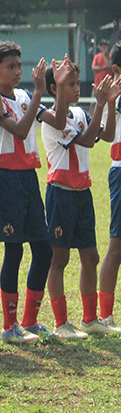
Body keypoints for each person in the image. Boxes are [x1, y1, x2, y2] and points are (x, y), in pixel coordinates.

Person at [0, 41, 67, 343]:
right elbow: (19, 130)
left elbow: (57, 121)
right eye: (10, 67)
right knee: (14, 250)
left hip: (28, 178)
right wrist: (41, 93)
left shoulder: (25, 95)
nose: (18, 71)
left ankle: (29, 321)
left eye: (19, 66)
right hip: (7, 180)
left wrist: (62, 88)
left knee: (43, 249)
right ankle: (9, 326)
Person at [41, 61, 119, 338]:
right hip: (61, 193)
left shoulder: (80, 114)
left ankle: (89, 319)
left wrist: (108, 104)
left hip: (82, 193)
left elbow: (106, 136)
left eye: (77, 83)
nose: (78, 88)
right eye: (70, 84)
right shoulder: (52, 117)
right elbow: (86, 141)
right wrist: (99, 105)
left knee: (91, 256)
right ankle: (61, 323)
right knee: (59, 258)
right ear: (55, 87)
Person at [98, 42, 121, 331]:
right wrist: (111, 101)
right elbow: (107, 135)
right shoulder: (115, 97)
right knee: (117, 245)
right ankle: (105, 315)